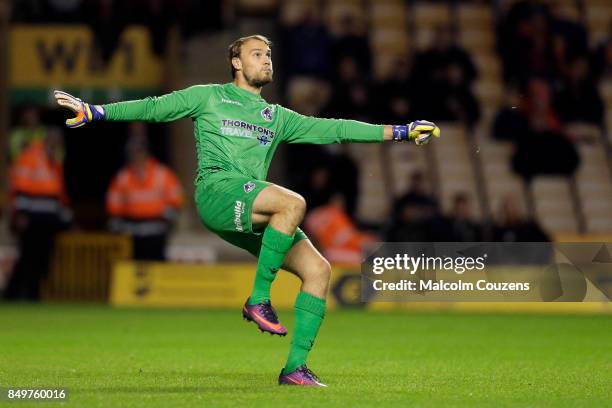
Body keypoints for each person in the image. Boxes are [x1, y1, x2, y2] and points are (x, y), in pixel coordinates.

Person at [54, 34, 442, 387]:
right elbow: (156, 107)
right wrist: (96, 111)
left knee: (318, 270)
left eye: (270, 54)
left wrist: (401, 131)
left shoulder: (277, 117)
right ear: (236, 62)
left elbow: (335, 128)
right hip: (217, 191)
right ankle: (258, 297)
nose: (266, 60)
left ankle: (294, 369)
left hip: (252, 209)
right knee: (294, 202)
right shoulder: (208, 96)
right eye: (257, 54)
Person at [4, 128, 72, 301]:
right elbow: (20, 186)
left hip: (48, 219)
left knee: (42, 259)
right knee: (28, 257)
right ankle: (12, 295)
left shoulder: (54, 160)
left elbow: (58, 193)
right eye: (56, 142)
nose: (58, 146)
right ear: (49, 140)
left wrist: (65, 218)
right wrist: (21, 214)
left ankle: (33, 294)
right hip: (32, 218)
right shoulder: (31, 156)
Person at [106, 127, 184, 261]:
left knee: (156, 263)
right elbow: (113, 206)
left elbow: (177, 198)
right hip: (132, 230)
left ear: (146, 153)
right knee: (134, 264)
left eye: (139, 152)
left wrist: (169, 217)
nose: (136, 157)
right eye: (133, 153)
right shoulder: (123, 177)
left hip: (157, 229)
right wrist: (119, 222)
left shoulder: (162, 174)